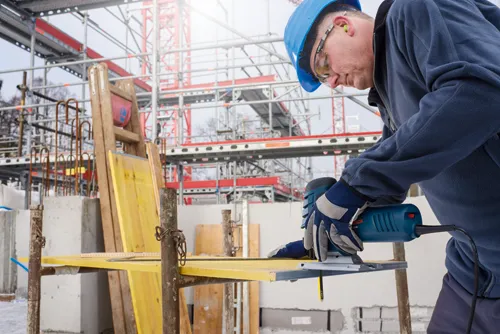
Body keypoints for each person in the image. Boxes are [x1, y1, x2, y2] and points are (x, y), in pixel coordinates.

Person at [269, 0, 500, 332]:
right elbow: (398, 160)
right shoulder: (390, 90)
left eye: (323, 66)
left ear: (342, 25)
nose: (332, 82)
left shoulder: (416, 9)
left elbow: (480, 90)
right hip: (475, 268)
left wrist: (357, 183)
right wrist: (324, 233)